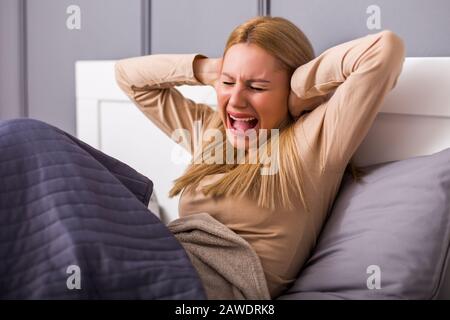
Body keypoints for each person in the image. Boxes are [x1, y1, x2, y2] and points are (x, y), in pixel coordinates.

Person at [114, 16, 405, 298]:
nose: (236, 101)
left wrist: (299, 88)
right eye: (228, 84)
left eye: (257, 87)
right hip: (165, 255)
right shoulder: (212, 133)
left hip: (208, 287)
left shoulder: (311, 145)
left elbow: (384, 50)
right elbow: (128, 76)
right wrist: (210, 69)